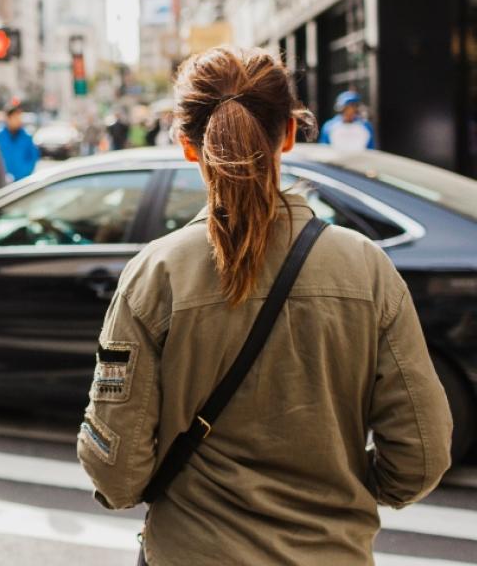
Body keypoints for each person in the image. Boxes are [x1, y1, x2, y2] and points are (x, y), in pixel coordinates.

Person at [78, 46, 451, 565]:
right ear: (291, 133)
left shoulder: (156, 274)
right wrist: (339, 485)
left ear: (187, 145)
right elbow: (422, 456)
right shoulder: (366, 268)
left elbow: (116, 473)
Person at [0, 106, 39, 182]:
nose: (19, 121)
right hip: (2, 181)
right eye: (15, 118)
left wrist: (26, 172)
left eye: (19, 117)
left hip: (23, 181)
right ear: (8, 118)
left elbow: (33, 156)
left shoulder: (27, 136)